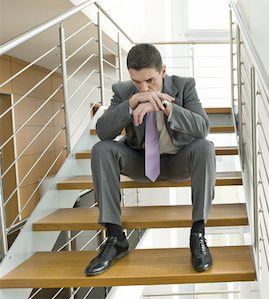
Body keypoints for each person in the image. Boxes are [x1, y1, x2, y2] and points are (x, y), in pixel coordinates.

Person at [85, 43, 215, 276]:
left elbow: (202, 127)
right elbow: (103, 131)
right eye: (137, 83)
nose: (144, 89)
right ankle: (115, 238)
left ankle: (198, 234)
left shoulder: (185, 86)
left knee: (205, 147)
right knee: (102, 149)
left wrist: (165, 105)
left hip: (178, 161)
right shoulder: (124, 91)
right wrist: (131, 103)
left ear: (163, 71)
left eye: (150, 81)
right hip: (141, 162)